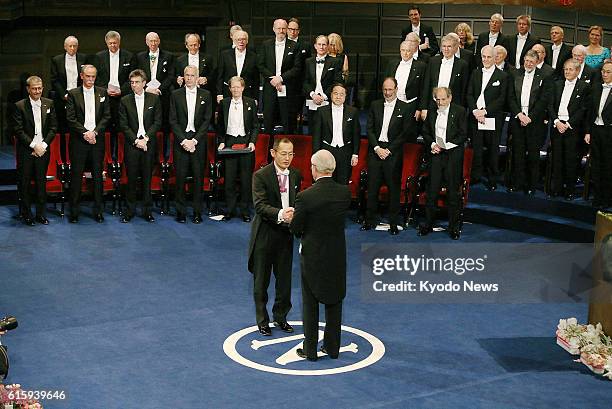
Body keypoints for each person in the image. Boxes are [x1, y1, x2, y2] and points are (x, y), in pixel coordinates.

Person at [291, 149, 351, 361]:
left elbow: (296, 229)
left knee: (310, 303)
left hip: (313, 256)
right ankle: (333, 348)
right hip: (336, 255)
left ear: (314, 169)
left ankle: (310, 350)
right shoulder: (345, 193)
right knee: (334, 300)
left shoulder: (305, 197)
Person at [248, 138, 302, 336]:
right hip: (264, 234)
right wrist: (281, 214)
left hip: (286, 235)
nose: (287, 158)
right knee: (261, 281)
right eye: (283, 153)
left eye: (291, 154)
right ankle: (262, 321)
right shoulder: (260, 176)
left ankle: (281, 317)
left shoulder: (296, 174)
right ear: (273, 153)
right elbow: (260, 206)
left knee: (285, 281)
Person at [362, 78, 412, 235]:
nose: (387, 93)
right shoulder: (375, 105)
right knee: (372, 189)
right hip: (376, 151)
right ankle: (369, 221)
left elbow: (405, 134)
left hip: (393, 153)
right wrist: (377, 148)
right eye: (385, 89)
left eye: (390, 89)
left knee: (394, 189)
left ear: (396, 89)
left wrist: (388, 150)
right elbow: (369, 129)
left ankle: (393, 224)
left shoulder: (405, 108)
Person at [418, 87, 466, 240]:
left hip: (452, 156)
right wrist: (432, 144)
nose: (440, 102)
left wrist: (447, 145)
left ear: (450, 98)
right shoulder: (432, 111)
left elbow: (463, 134)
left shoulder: (459, 111)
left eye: (443, 99)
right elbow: (425, 131)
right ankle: (428, 224)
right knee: (432, 191)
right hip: (436, 155)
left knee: (453, 193)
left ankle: (453, 227)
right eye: (437, 99)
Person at [65, 65, 111, 223]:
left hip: (97, 140)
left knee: (98, 176)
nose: (91, 80)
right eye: (88, 76)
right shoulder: (73, 94)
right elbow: (70, 118)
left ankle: (98, 211)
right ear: (81, 76)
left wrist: (95, 132)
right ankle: (74, 212)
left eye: (93, 77)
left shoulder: (102, 92)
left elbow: (106, 116)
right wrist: (85, 133)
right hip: (79, 141)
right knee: (76, 176)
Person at [169, 65, 212, 223]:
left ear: (197, 77)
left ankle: (197, 212)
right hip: (181, 141)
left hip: (198, 142)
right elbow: (172, 120)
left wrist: (194, 140)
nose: (189, 78)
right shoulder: (175, 94)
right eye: (186, 75)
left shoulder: (206, 95)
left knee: (198, 178)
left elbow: (207, 120)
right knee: (180, 178)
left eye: (192, 75)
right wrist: (183, 140)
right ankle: (180, 212)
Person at [12, 76, 57, 226]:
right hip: (27, 151)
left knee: (41, 184)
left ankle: (40, 215)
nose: (37, 91)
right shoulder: (19, 106)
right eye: (34, 88)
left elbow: (53, 128)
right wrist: (33, 145)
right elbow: (18, 130)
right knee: (24, 184)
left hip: (43, 150)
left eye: (40, 88)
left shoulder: (49, 103)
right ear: (28, 89)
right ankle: (27, 215)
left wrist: (43, 146)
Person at [118, 69, 161, 223]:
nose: (134, 85)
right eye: (132, 82)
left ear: (144, 83)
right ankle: (129, 211)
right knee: (131, 180)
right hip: (132, 145)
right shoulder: (125, 100)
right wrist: (137, 141)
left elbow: (157, 122)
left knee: (147, 179)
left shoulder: (154, 99)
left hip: (148, 144)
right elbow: (123, 124)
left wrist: (146, 139)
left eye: (137, 82)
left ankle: (147, 211)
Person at [467, 45, 509, 190]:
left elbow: (502, 99)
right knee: (476, 148)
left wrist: (484, 112)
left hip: (491, 118)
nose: (486, 59)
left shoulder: (503, 76)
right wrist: (475, 111)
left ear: (495, 58)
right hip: (475, 116)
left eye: (489, 57)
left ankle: (492, 178)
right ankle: (476, 175)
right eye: (483, 57)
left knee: (492, 149)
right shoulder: (475, 73)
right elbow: (470, 94)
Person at [217, 76, 259, 221]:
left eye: (238, 87)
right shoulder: (223, 103)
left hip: (245, 143)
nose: (235, 89)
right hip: (229, 143)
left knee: (245, 180)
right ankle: (230, 210)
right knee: (229, 180)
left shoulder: (250, 103)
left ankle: (245, 211)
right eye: (232, 87)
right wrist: (222, 141)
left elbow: (255, 126)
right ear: (229, 89)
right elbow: (220, 126)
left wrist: (252, 142)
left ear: (243, 88)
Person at [507, 50, 549, 195]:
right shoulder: (515, 74)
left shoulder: (544, 76)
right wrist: (519, 114)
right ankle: (517, 183)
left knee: (533, 155)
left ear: (537, 62)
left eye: (531, 61)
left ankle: (531, 185)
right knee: (517, 154)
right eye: (526, 61)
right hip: (518, 119)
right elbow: (510, 97)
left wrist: (530, 117)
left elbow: (543, 100)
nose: (528, 64)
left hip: (534, 122)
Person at [549, 59, 591, 200]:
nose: (567, 72)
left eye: (570, 69)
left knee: (571, 161)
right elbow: (550, 105)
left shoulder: (584, 87)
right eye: (566, 69)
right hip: (557, 126)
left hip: (572, 128)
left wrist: (568, 124)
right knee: (557, 159)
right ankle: (557, 188)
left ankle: (570, 190)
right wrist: (556, 121)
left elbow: (583, 109)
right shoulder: (557, 84)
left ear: (577, 71)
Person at [93, 31, 135, 159]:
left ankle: (120, 158)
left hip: (123, 97)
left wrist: (122, 90)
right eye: (110, 43)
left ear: (119, 42)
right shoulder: (99, 57)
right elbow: (97, 78)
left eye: (115, 43)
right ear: (106, 43)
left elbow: (132, 78)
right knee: (106, 128)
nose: (113, 46)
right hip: (106, 97)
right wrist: (105, 90)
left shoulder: (129, 56)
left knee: (123, 127)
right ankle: (109, 158)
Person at [257, 19, 303, 136]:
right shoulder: (266, 45)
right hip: (270, 89)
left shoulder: (295, 46)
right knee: (268, 123)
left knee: (288, 124)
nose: (281, 31)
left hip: (288, 89)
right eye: (278, 28)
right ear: (273, 29)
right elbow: (261, 65)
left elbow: (297, 68)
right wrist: (273, 79)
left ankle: (288, 152)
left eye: (283, 28)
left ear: (287, 29)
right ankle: (268, 152)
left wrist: (281, 78)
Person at [311, 83, 360, 184]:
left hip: (345, 151)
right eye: (336, 93)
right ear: (331, 95)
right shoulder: (321, 111)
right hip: (326, 150)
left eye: (341, 94)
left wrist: (355, 154)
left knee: (343, 183)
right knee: (325, 183)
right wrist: (316, 155)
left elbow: (356, 134)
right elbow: (317, 136)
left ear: (346, 96)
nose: (338, 96)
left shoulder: (353, 112)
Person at [420, 34, 470, 120]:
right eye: (444, 46)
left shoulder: (462, 65)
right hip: (433, 105)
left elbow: (464, 89)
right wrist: (424, 107)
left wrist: (461, 109)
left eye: (449, 46)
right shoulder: (433, 61)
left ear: (455, 48)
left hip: (453, 106)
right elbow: (427, 85)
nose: (446, 49)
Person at [584, 61, 612, 209]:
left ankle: (607, 198)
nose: (604, 74)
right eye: (603, 71)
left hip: (610, 133)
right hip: (596, 130)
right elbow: (590, 112)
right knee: (596, 165)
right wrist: (588, 131)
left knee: (608, 166)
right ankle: (597, 196)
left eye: (608, 72)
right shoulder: (596, 88)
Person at [136, 32, 175, 133]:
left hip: (162, 94)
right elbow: (138, 75)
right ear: (146, 42)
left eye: (155, 40)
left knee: (163, 124)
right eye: (151, 41)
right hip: (145, 93)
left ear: (159, 41)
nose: (153, 43)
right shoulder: (140, 57)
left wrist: (159, 89)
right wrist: (146, 88)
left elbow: (171, 76)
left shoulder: (168, 56)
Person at [50, 36, 87, 136]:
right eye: (70, 46)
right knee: (63, 126)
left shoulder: (83, 58)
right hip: (62, 97)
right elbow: (55, 80)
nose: (72, 48)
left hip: (80, 96)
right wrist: (64, 95)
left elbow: (87, 77)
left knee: (79, 123)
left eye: (74, 46)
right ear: (65, 47)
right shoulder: (57, 60)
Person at [303, 35, 343, 126]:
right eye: (319, 44)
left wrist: (324, 96)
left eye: (324, 44)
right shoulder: (308, 62)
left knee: (327, 129)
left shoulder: (336, 61)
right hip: (311, 101)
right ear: (315, 46)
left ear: (328, 46)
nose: (321, 47)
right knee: (312, 130)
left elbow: (337, 82)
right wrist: (313, 95)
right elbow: (305, 82)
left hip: (328, 100)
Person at [216, 30, 259, 102]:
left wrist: (255, 98)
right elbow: (220, 76)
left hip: (247, 94)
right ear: (234, 41)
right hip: (228, 93)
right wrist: (219, 94)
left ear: (247, 41)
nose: (241, 42)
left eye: (243, 39)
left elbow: (256, 79)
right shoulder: (224, 55)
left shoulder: (254, 57)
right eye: (239, 39)